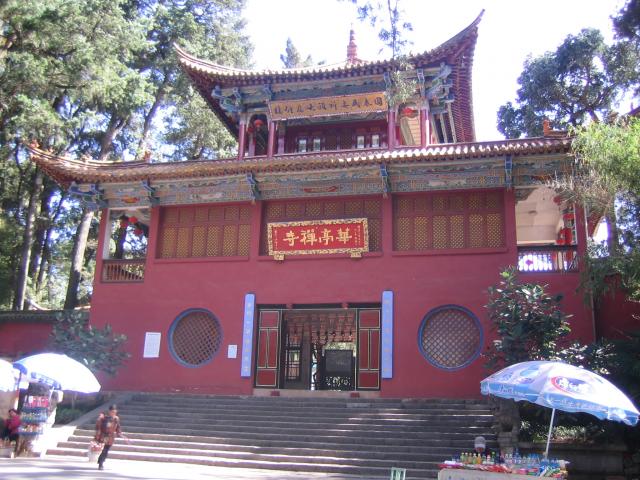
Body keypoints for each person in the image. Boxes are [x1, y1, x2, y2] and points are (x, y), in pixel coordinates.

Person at [94, 405, 123, 470]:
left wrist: (119, 432)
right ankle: (101, 463)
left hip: (111, 436)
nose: (113, 413)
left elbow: (118, 426)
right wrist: (97, 435)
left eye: (114, 412)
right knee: (105, 450)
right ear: (109, 411)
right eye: (112, 412)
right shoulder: (104, 418)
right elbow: (98, 427)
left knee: (106, 450)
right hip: (104, 435)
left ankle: (100, 461)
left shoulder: (116, 419)